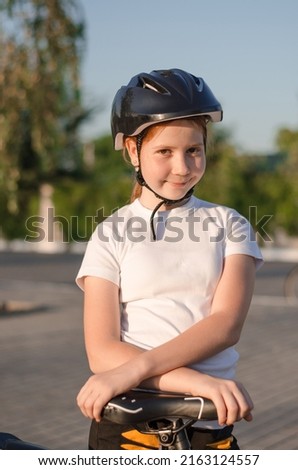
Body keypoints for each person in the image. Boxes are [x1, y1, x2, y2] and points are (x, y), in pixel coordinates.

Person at [76, 68, 263, 450]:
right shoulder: (110, 234)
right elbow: (102, 350)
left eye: (193, 150)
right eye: (164, 151)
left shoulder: (230, 224)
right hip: (129, 428)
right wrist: (199, 383)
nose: (182, 167)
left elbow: (226, 324)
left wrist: (136, 369)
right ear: (133, 150)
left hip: (208, 426)